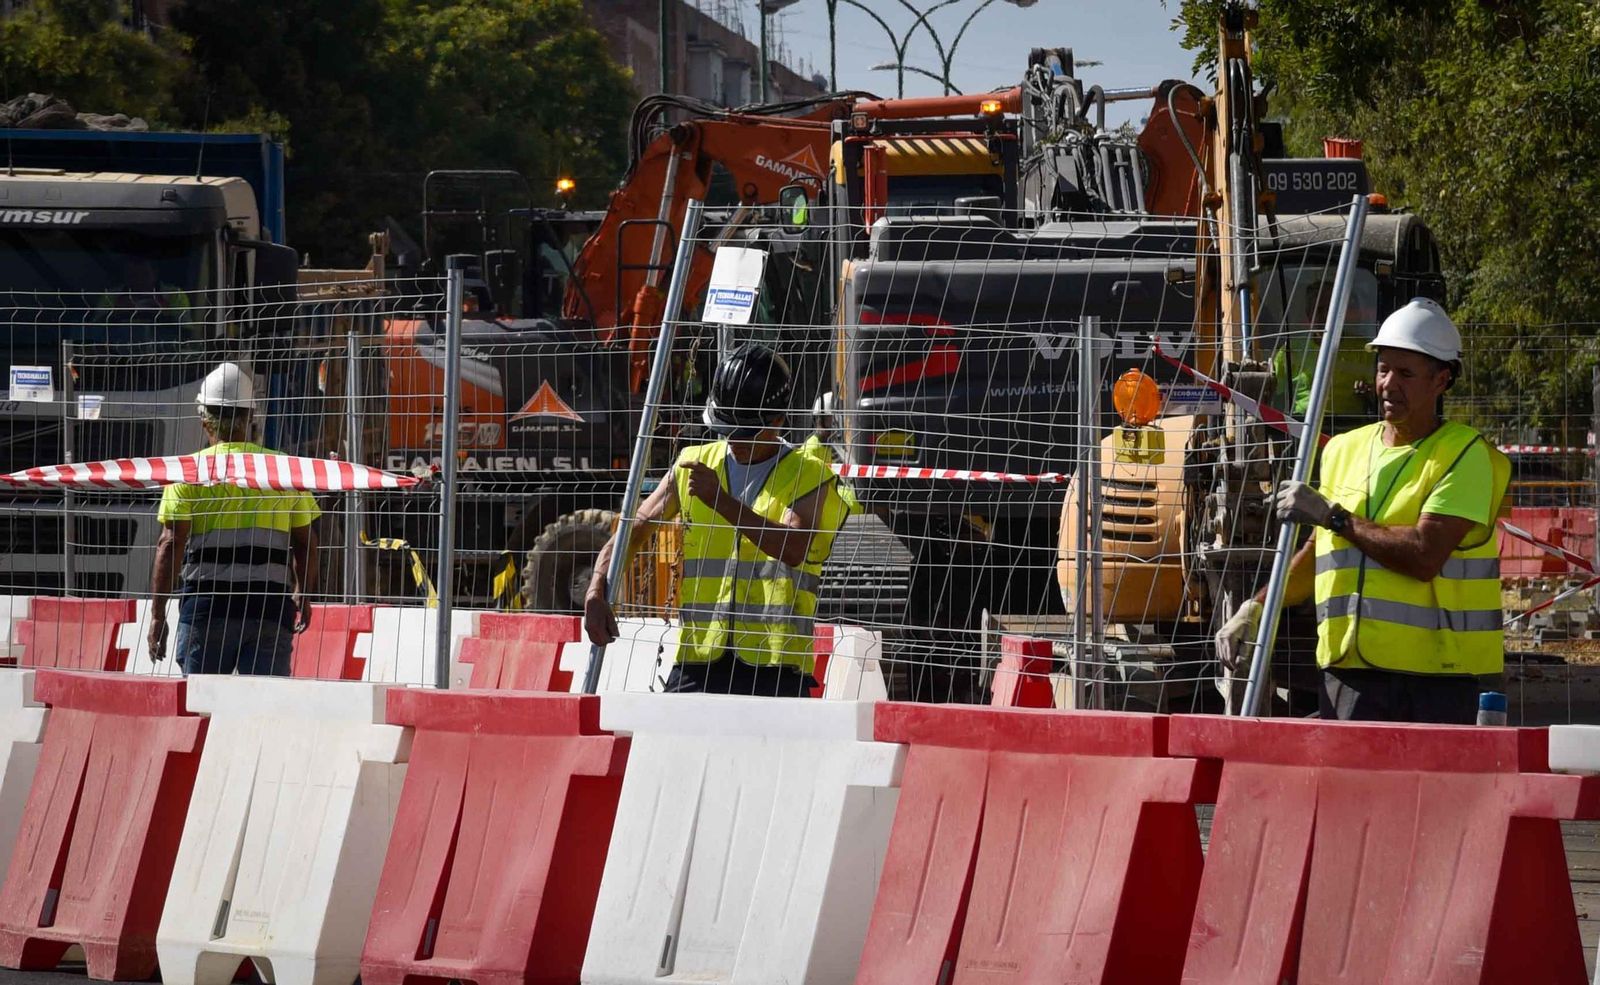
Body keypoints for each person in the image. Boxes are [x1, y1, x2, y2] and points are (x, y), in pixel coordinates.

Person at [1216, 298, 1510, 723]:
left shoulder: (1464, 455)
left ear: (1441, 380)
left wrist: (1335, 516)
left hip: (1439, 680)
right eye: (1383, 368)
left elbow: (1425, 554)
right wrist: (1258, 607)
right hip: (1350, 671)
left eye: (1406, 373)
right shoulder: (1342, 450)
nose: (1389, 384)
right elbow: (1321, 554)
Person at [584, 342, 859, 696]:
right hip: (700, 656)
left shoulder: (810, 475)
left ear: (778, 420)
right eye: (725, 428)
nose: (733, 440)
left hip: (774, 666)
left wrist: (720, 501)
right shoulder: (693, 463)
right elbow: (635, 526)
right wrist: (597, 586)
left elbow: (794, 547)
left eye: (745, 432)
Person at [148, 362, 320, 675]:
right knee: (263, 710)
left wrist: (158, 615)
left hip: (206, 611)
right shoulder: (283, 471)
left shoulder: (188, 472)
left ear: (204, 421)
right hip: (269, 611)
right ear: (250, 417)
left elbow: (170, 545)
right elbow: (305, 544)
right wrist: (303, 595)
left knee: (203, 709)